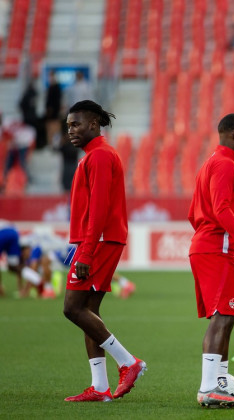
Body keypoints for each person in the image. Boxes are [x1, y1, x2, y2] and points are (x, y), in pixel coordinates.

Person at [62, 100, 146, 402]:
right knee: (88, 312)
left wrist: (85, 252)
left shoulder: (98, 157)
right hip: (97, 241)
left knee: (72, 308)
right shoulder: (96, 156)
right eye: (68, 125)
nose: (70, 130)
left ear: (94, 124)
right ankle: (99, 387)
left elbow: (98, 209)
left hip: (98, 242)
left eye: (76, 124)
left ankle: (128, 362)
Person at [188, 113, 234, 408]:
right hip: (216, 249)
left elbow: (192, 212)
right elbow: (221, 209)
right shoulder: (223, 166)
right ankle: (209, 388)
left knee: (226, 317)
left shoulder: (210, 163)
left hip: (209, 246)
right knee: (223, 316)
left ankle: (219, 386)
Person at [0, 221, 22, 297]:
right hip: (14, 232)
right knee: (13, 266)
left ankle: (1, 289)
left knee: (13, 267)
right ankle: (21, 289)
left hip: (2, 235)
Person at [45, 70, 63, 147]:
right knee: (49, 126)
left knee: (55, 126)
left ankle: (56, 142)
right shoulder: (50, 87)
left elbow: (57, 100)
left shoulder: (57, 87)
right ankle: (51, 142)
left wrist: (53, 109)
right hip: (50, 111)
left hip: (55, 110)